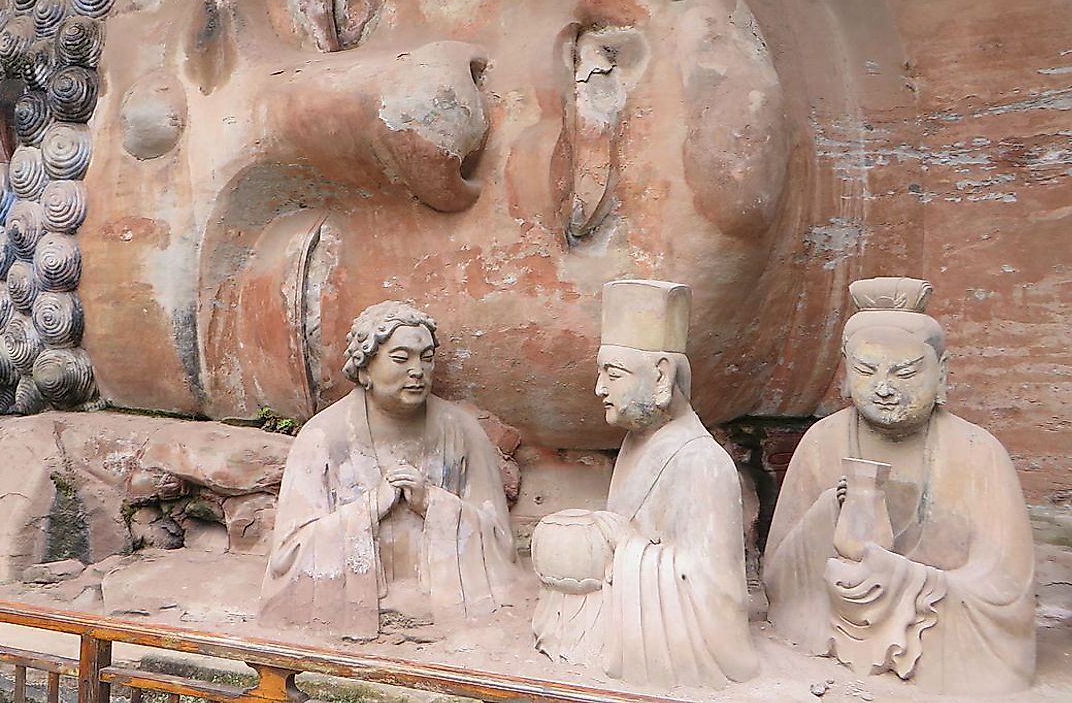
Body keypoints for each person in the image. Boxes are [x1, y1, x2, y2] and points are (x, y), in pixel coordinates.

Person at [764, 277, 1035, 695]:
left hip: (938, 621)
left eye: (906, 372)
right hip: (836, 613)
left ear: (942, 373)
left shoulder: (979, 451)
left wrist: (907, 579)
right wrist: (826, 513)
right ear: (844, 374)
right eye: (865, 371)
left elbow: (1008, 592)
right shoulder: (822, 440)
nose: (885, 388)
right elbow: (779, 576)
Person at [531, 279, 756, 689]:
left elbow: (717, 595)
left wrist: (625, 547)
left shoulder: (702, 462)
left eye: (612, 374)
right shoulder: (637, 441)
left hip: (676, 639)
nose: (598, 388)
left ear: (661, 376)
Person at [259, 300, 518, 640]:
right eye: (400, 359)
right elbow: (288, 557)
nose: (417, 371)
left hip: (438, 608)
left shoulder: (463, 432)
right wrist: (368, 509)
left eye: (427, 358)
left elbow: (501, 543)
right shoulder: (323, 437)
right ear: (364, 368)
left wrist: (432, 502)